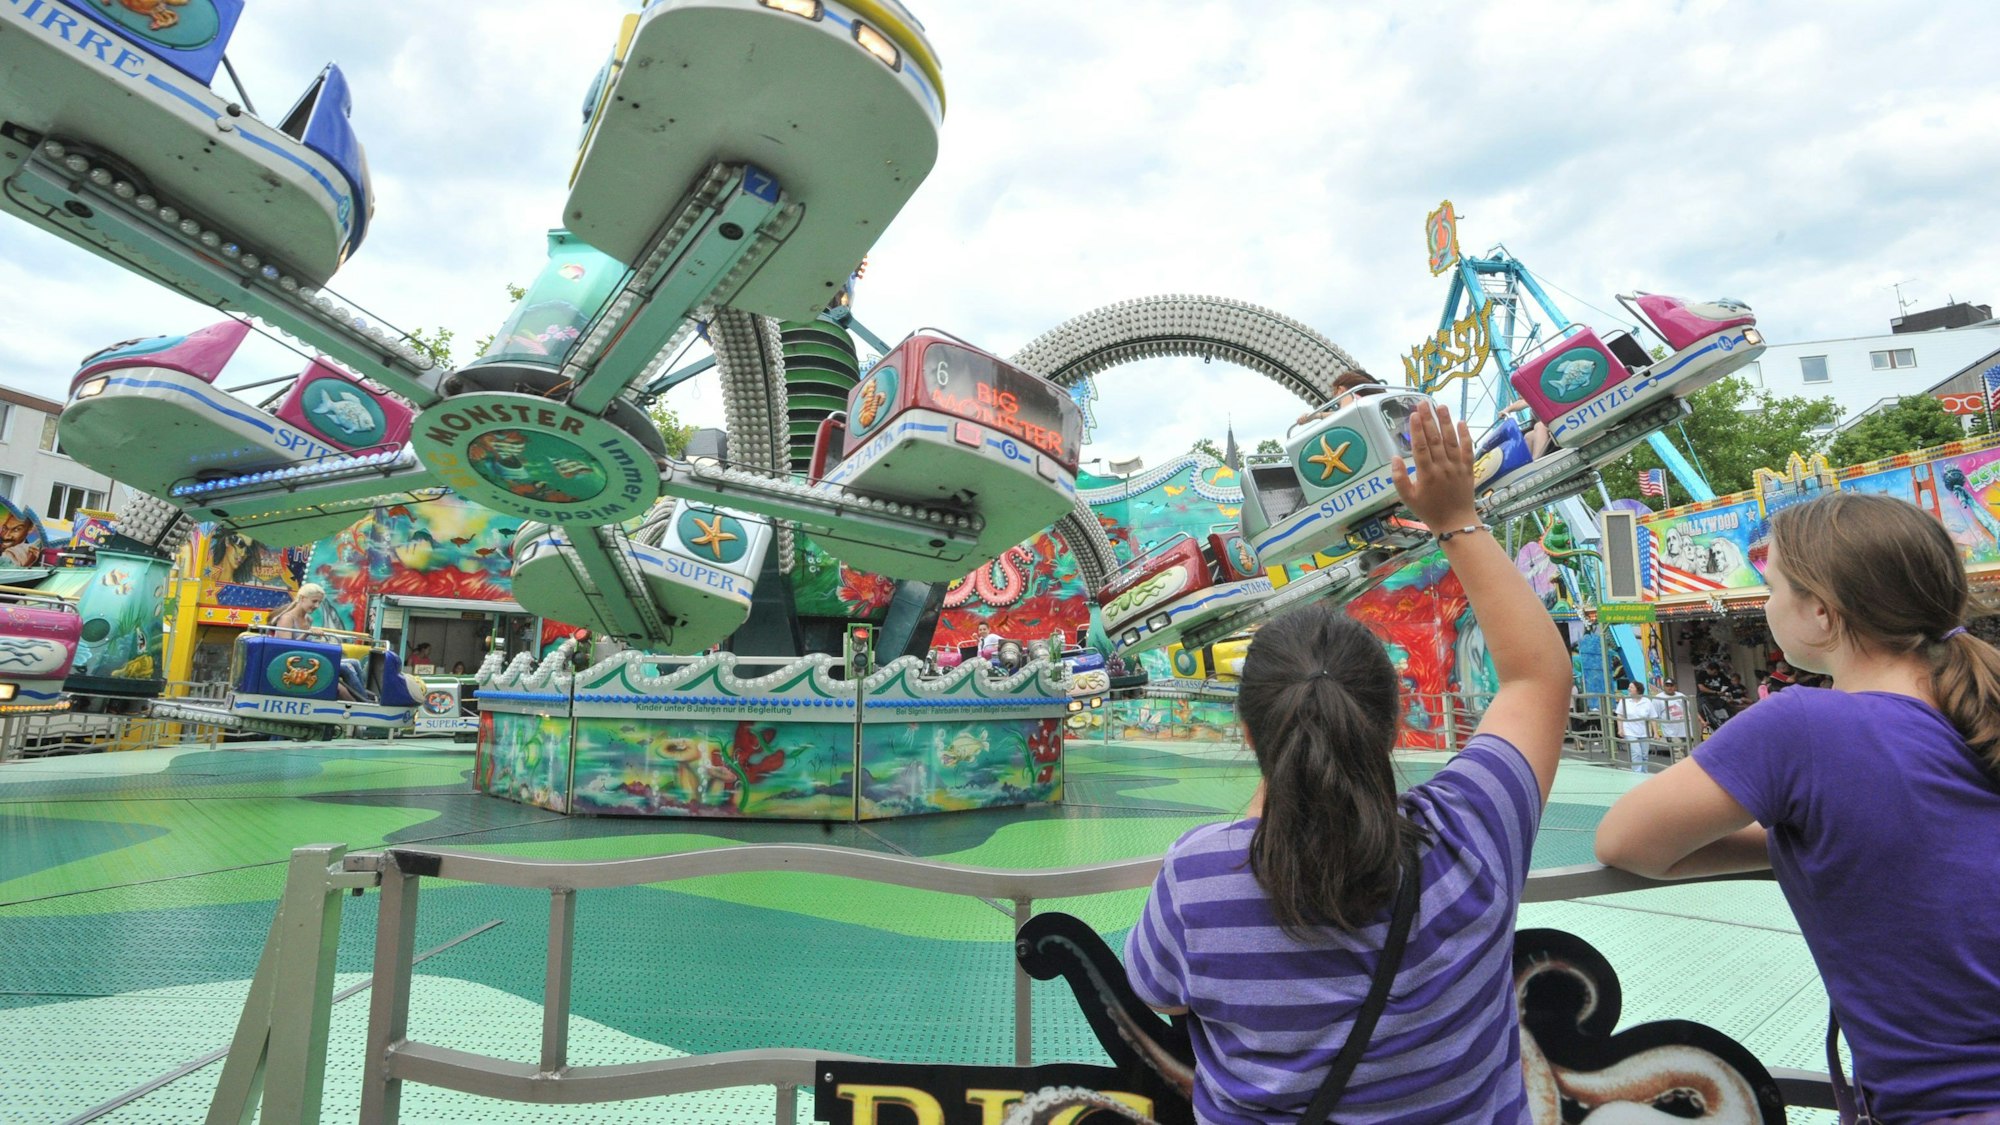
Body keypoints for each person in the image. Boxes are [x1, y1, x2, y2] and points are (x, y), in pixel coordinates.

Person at [1125, 402, 1570, 1121]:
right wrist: (1456, 517)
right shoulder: (1472, 831)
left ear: (1248, 732)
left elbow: (1159, 992)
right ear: (1390, 724)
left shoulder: (1196, 881)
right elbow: (1537, 677)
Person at [1596, 492, 2000, 1121]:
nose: (1765, 604)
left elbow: (1625, 842)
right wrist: (1821, 836)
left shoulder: (1801, 726)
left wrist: (1794, 839)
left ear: (1820, 612)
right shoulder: (1975, 708)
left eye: (1773, 586)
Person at [1614, 680, 1659, 770]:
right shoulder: (1625, 700)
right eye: (1629, 687)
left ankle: (1644, 773)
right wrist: (1620, 729)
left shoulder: (1647, 702)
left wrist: (1656, 732)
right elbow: (1620, 715)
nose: (1628, 689)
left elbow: (1652, 717)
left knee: (1644, 754)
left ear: (1638, 690)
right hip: (1630, 731)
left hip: (1644, 732)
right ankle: (1637, 773)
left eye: (1631, 687)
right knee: (1636, 753)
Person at [1654, 678, 1692, 758]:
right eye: (1667, 685)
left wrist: (1701, 720)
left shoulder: (1681, 696)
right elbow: (1654, 716)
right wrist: (1656, 732)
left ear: (1675, 686)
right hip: (1671, 732)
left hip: (1686, 730)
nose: (1669, 687)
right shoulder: (1658, 698)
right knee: (1678, 755)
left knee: (1689, 755)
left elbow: (1690, 709)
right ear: (1664, 686)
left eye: (1671, 685)